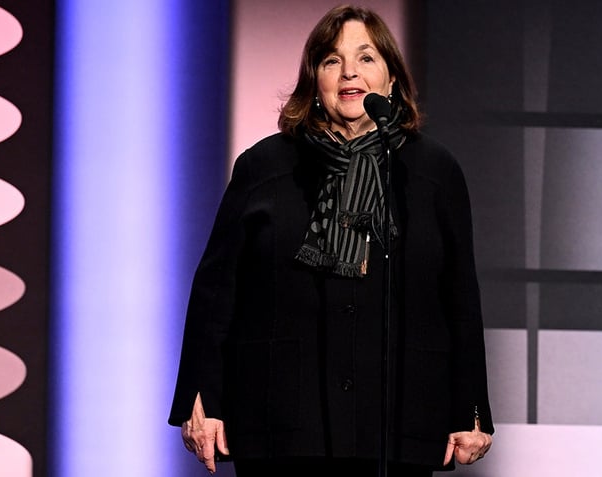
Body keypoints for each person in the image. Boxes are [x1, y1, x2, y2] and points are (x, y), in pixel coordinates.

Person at [168, 5, 493, 476]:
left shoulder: (432, 172)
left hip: (398, 421)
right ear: (314, 80)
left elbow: (459, 297)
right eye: (332, 60)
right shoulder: (264, 167)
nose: (349, 73)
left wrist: (471, 406)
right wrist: (202, 396)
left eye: (366, 58)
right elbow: (217, 293)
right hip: (280, 422)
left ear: (391, 80)